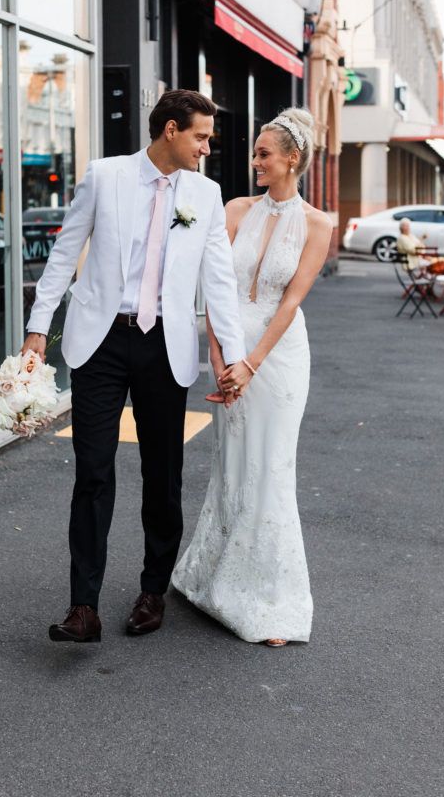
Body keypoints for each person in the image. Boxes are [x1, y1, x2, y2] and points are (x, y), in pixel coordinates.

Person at [21, 89, 246, 643]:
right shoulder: (105, 176)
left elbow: (218, 281)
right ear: (170, 130)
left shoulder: (207, 194)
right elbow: (62, 254)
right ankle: (84, 607)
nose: (206, 147)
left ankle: (152, 589)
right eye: (200, 135)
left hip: (163, 347)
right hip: (99, 343)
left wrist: (233, 357)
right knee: (93, 472)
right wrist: (36, 331)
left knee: (162, 477)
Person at [171, 108, 332, 646]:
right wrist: (219, 361)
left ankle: (270, 599)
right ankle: (211, 574)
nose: (254, 161)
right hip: (230, 350)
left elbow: (291, 302)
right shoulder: (234, 208)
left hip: (279, 357)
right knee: (233, 463)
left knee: (272, 467)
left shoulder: (319, 224)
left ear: (293, 159)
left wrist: (251, 362)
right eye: (255, 152)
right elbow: (212, 288)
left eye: (264, 153)